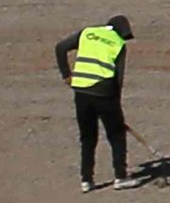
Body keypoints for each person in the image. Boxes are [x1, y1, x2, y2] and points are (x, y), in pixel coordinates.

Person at [57, 14, 135, 193]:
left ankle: (86, 180)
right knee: (116, 135)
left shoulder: (88, 33)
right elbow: (118, 79)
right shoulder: (118, 44)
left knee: (87, 137)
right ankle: (120, 177)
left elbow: (60, 48)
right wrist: (117, 107)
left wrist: (67, 75)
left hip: (81, 92)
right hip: (105, 93)